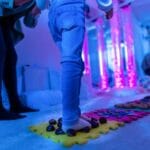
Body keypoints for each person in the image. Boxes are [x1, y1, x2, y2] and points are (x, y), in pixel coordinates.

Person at [36, 0, 113, 132]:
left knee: (74, 64)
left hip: (53, 15)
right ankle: (70, 119)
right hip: (71, 9)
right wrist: (107, 6)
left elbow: (41, 4)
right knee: (72, 62)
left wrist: (39, 7)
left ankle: (74, 114)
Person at [0, 0, 40, 120]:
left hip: (5, 19)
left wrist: (35, 11)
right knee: (0, 52)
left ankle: (15, 104)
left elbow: (29, 23)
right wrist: (13, 2)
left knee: (11, 57)